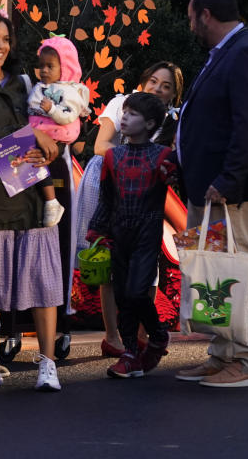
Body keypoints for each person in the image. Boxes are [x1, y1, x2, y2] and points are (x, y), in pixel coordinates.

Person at [175, 0, 248, 388]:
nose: (191, 25)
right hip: (215, 189)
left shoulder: (245, 53)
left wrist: (227, 180)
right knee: (217, 272)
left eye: (191, 16)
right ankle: (224, 353)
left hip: (230, 191)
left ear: (206, 15)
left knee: (240, 267)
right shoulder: (228, 53)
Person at [0, 9, 63, 392]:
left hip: (32, 191)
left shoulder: (25, 82)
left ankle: (48, 364)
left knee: (43, 280)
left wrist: (46, 146)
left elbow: (53, 124)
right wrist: (31, 137)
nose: (1, 46)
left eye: (5, 39)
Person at [76, 61, 184, 357]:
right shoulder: (122, 104)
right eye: (154, 81)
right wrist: (135, 158)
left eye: (166, 86)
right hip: (108, 181)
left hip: (145, 195)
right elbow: (101, 145)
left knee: (146, 267)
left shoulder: (169, 121)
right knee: (110, 263)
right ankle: (113, 336)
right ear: (143, 80)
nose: (158, 89)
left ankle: (138, 334)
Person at [86, 92, 175, 378]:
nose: (124, 117)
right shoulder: (113, 155)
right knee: (123, 294)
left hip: (148, 233)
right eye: (124, 112)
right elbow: (107, 199)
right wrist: (96, 229)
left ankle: (157, 335)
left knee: (137, 291)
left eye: (132, 114)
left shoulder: (163, 156)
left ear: (150, 124)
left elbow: (180, 179)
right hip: (118, 232)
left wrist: (175, 172)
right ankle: (130, 354)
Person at [27, 37, 90, 227]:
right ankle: (50, 202)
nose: (44, 70)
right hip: (37, 138)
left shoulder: (69, 92)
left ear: (65, 67)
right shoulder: (40, 87)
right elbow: (31, 105)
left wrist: (51, 110)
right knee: (35, 166)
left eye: (50, 66)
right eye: (41, 66)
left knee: (43, 168)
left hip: (58, 144)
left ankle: (52, 202)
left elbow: (68, 116)